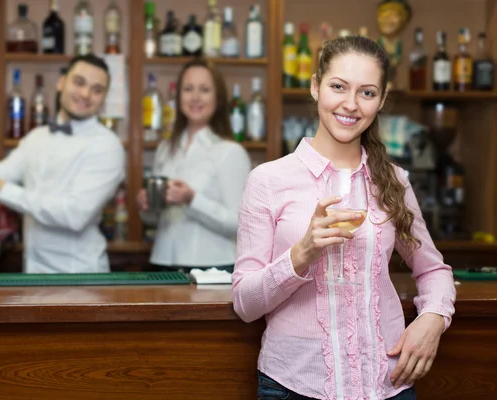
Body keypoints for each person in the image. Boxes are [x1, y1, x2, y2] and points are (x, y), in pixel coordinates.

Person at [232, 36, 456, 400]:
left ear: (381, 100)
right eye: (338, 87)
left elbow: (433, 270)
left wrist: (433, 318)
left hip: (387, 385)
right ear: (315, 86)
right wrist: (300, 255)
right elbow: (244, 303)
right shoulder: (268, 181)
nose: (350, 105)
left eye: (367, 93)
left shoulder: (394, 181)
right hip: (294, 386)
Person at [0, 54, 125, 274]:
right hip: (33, 272)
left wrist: (5, 192)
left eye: (97, 89)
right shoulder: (36, 137)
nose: (86, 94)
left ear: (103, 97)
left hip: (80, 274)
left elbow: (75, 214)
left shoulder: (107, 145)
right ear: (61, 82)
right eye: (79, 82)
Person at [137, 58, 251, 273]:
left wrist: (191, 199)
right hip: (163, 263)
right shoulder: (165, 148)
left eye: (204, 89)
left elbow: (240, 223)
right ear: (178, 96)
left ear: (218, 98)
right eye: (188, 89)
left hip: (211, 268)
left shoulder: (230, 152)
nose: (195, 97)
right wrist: (147, 206)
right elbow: (155, 219)